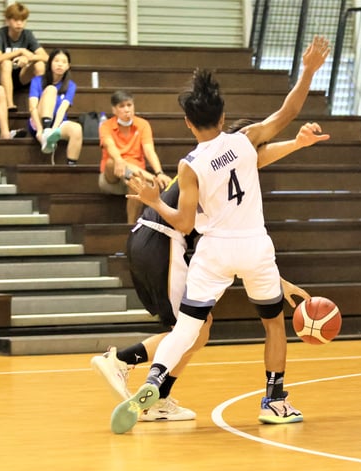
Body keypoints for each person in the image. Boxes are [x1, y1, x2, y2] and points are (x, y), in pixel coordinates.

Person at [107, 36, 331, 434]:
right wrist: (309, 70)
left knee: (188, 328)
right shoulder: (245, 142)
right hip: (255, 247)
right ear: (224, 117)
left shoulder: (190, 164)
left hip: (213, 252)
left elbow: (185, 224)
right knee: (274, 324)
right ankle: (275, 400)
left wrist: (154, 201)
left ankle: (155, 380)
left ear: (189, 123)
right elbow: (289, 109)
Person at [99, 90, 171, 224]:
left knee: (136, 182)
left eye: (129, 105)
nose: (126, 109)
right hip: (113, 176)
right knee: (111, 162)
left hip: (135, 174)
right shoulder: (106, 125)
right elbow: (109, 146)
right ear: (114, 110)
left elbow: (149, 151)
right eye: (122, 106)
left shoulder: (143, 124)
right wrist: (119, 160)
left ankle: (130, 227)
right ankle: (156, 179)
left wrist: (159, 171)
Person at [27, 49, 83, 164]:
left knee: (77, 129)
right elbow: (32, 107)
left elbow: (63, 109)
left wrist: (54, 130)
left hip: (57, 125)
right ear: (50, 63)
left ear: (68, 66)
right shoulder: (37, 81)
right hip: (38, 123)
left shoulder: (71, 85)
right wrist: (40, 130)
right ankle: (46, 133)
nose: (60, 64)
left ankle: (71, 166)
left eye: (64, 62)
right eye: (56, 61)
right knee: (51, 89)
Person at [0, 2, 47, 112]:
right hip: (3, 74)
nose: (19, 23)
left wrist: (28, 58)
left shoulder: (28, 34)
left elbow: (45, 57)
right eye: (15, 20)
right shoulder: (0, 33)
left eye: (22, 20)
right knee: (6, 63)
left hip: (22, 76)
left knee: (40, 65)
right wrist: (20, 51)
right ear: (7, 20)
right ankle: (9, 104)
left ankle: (41, 104)